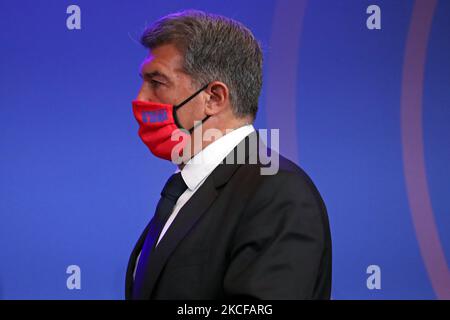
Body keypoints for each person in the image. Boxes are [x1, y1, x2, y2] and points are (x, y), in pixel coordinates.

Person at [125, 9, 332, 300]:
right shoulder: (186, 189)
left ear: (214, 98)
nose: (140, 98)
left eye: (157, 82)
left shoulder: (279, 192)